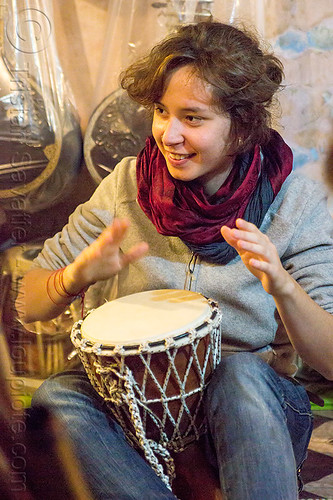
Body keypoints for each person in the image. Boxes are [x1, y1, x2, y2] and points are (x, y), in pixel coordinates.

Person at [18, 21, 333, 500]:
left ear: (243, 123)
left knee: (241, 374)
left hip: (251, 415)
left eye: (193, 117)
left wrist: (282, 287)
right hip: (136, 409)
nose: (169, 133)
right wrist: (74, 277)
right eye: (161, 112)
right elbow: (29, 303)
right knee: (57, 397)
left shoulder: (294, 202)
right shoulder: (126, 184)